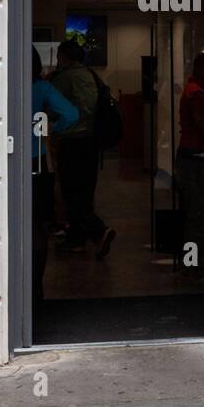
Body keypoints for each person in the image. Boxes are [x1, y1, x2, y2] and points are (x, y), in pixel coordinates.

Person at [52, 40, 116, 258]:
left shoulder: (65, 78)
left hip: (72, 141)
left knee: (71, 193)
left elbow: (53, 107)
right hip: (91, 142)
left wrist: (55, 127)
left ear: (63, 57)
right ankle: (76, 239)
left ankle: (99, 231)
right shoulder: (91, 75)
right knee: (85, 192)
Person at [30, 47, 78, 304]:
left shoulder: (9, 81)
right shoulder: (43, 88)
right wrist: (51, 128)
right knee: (38, 226)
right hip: (38, 163)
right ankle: (36, 287)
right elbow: (72, 114)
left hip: (8, 163)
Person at [176, 52, 204, 276]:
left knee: (194, 213)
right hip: (195, 159)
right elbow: (203, 125)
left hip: (189, 156)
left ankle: (192, 263)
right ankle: (194, 264)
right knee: (197, 215)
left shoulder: (193, 90)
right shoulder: (196, 93)